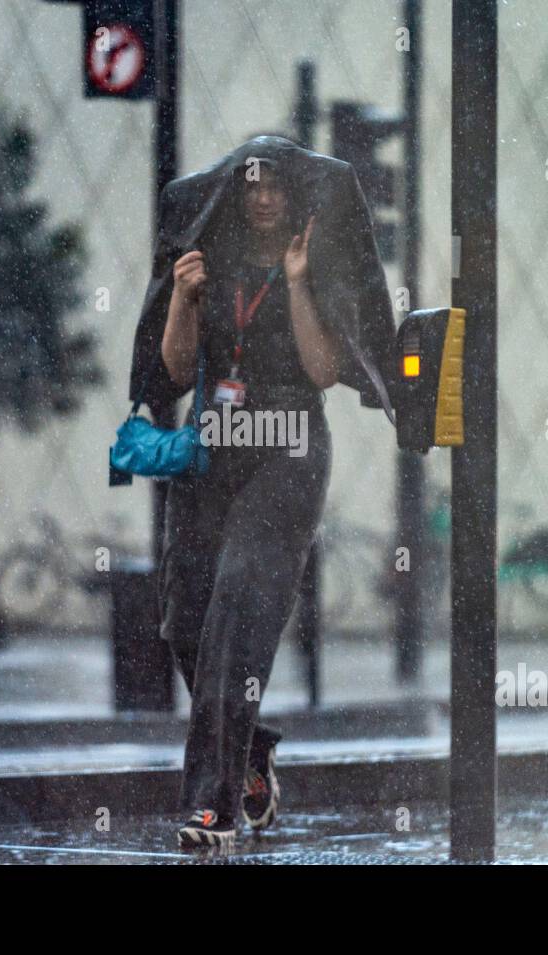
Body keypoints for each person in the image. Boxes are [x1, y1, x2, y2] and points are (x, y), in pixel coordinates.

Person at [158, 158, 343, 851]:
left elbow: (325, 368)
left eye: (275, 187)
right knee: (185, 620)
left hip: (287, 449)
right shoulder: (213, 263)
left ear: (292, 197)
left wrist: (297, 283)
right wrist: (183, 297)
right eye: (253, 186)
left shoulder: (314, 264)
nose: (264, 198)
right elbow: (178, 370)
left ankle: (215, 803)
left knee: (236, 602)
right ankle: (249, 746)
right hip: (212, 442)